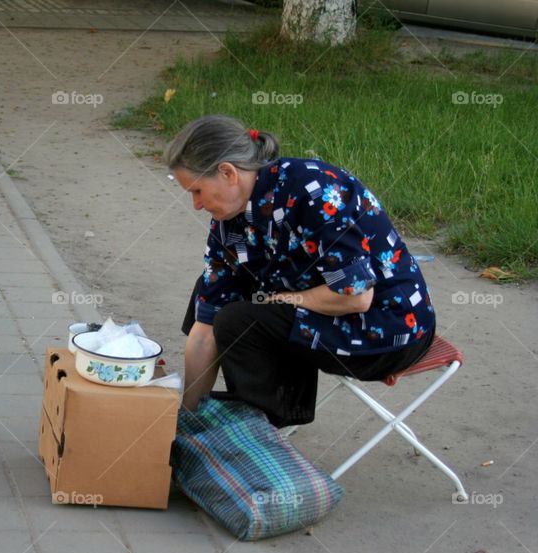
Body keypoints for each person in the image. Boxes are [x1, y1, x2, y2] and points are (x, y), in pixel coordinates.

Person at [166, 115, 435, 426]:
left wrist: (274, 301)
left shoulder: (313, 191)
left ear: (228, 172)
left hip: (387, 328)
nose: (196, 205)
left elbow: (356, 298)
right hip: (324, 312)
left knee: (240, 319)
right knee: (212, 293)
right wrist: (183, 421)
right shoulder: (229, 220)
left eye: (197, 191)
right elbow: (205, 330)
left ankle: (262, 431)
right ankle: (202, 423)